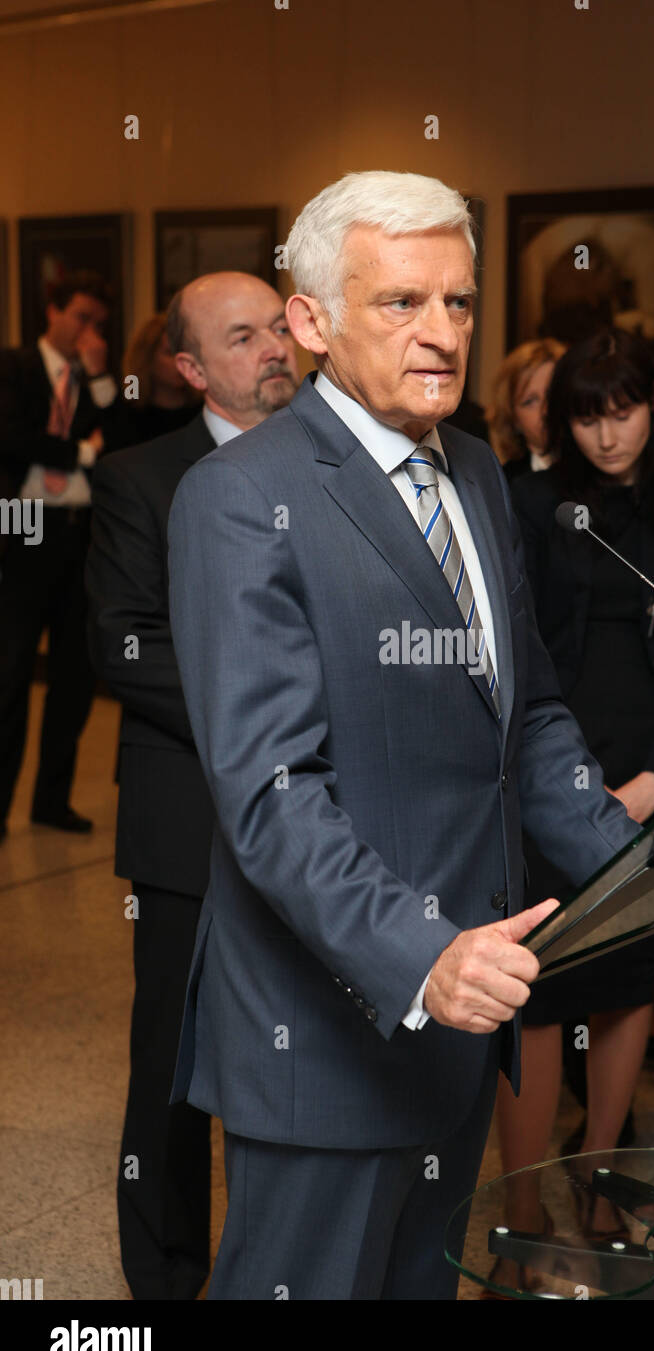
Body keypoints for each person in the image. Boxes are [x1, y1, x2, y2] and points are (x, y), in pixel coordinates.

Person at [166, 170, 639, 1300]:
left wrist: (638, 862)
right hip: (330, 1032)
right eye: (401, 304)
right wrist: (420, 955)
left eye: (460, 303)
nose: (441, 335)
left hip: (462, 1022)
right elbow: (273, 793)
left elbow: (518, 713)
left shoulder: (471, 469)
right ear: (313, 322)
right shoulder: (239, 497)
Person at [493, 329, 654, 1282]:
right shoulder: (530, 501)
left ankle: (594, 1187)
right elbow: (514, 649)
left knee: (629, 986)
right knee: (539, 992)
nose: (608, 434)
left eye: (623, 410)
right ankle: (519, 1212)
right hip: (548, 773)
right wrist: (571, 790)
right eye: (586, 416)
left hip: (651, 769)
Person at [86, 272, 299, 1299]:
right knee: (172, 1062)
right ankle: (169, 1275)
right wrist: (279, 713)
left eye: (278, 326)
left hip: (324, 813)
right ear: (189, 367)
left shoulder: (338, 465)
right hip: (189, 821)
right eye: (242, 335)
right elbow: (126, 646)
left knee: (305, 1049)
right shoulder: (141, 479)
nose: (274, 349)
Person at [0, 270, 117, 841]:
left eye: (97, 322)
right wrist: (81, 453)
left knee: (73, 676)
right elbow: (12, 438)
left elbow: (119, 441)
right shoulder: (16, 366)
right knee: (11, 672)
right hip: (21, 525)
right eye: (79, 317)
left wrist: (99, 376)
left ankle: (53, 800)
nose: (87, 330)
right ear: (52, 312)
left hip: (77, 531)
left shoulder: (95, 379)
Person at [101, 312, 200, 453]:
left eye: (186, 353)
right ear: (148, 356)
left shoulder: (201, 408)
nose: (181, 363)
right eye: (170, 353)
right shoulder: (131, 403)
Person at [487, 339, 566, 484]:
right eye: (530, 401)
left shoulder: (607, 468)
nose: (546, 410)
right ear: (514, 420)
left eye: (553, 394)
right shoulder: (502, 486)